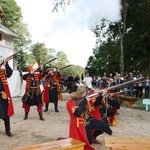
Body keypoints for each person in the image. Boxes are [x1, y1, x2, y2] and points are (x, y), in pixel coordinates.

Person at [66, 83, 112, 150]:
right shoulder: (70, 102)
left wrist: (101, 96)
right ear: (78, 94)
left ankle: (94, 137)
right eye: (83, 93)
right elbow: (77, 113)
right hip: (78, 125)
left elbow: (95, 105)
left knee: (104, 126)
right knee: (84, 143)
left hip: (88, 121)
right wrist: (85, 101)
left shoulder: (83, 100)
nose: (85, 94)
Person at [0, 58, 14, 136]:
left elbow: (9, 74)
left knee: (6, 113)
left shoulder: (3, 70)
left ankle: (7, 130)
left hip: (3, 94)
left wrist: (6, 64)